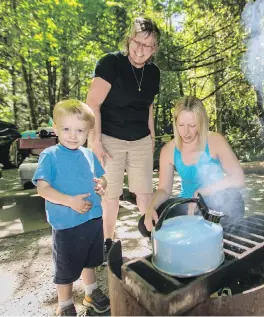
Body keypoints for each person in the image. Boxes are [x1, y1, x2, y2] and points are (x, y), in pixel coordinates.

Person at [85, 17, 161, 258]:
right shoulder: (110, 64)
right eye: (137, 42)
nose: (141, 50)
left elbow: (148, 106)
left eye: (148, 45)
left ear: (154, 49)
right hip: (109, 137)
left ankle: (154, 239)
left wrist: (152, 135)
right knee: (110, 195)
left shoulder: (153, 73)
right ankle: (107, 242)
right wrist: (95, 141)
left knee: (145, 193)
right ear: (129, 40)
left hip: (140, 139)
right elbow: (92, 105)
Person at [32, 100, 110, 316]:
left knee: (89, 260)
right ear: (56, 128)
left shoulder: (88, 154)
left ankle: (90, 292)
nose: (73, 135)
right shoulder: (50, 155)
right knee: (66, 269)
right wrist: (70, 201)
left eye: (80, 130)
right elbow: (42, 189)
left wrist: (101, 186)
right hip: (67, 224)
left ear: (88, 132)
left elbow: (102, 178)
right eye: (66, 129)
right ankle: (65, 304)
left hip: (93, 219)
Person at [139, 96, 245, 237]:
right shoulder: (169, 150)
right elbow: (164, 189)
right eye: (181, 125)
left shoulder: (215, 140)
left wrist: (201, 192)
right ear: (175, 122)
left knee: (234, 203)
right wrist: (151, 206)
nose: (186, 132)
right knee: (145, 224)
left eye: (192, 125)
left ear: (201, 123)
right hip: (185, 202)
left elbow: (238, 179)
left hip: (216, 200)